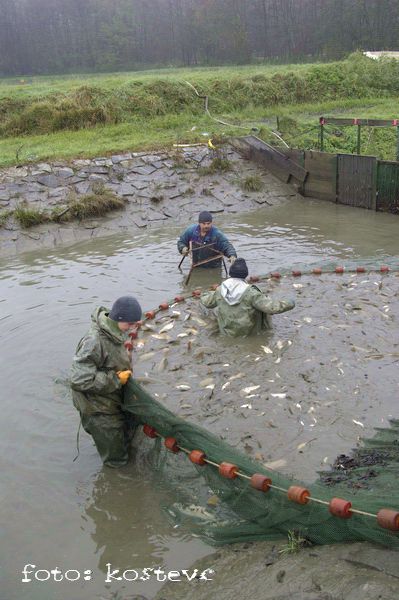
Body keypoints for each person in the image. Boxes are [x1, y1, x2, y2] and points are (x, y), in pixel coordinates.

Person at [70, 296, 142, 468]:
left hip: (110, 400)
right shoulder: (94, 341)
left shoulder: (115, 332)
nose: (132, 328)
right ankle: (116, 485)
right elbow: (79, 379)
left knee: (123, 439)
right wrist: (116, 379)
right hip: (97, 409)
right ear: (119, 318)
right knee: (116, 460)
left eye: (135, 324)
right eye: (130, 324)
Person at [200, 258, 295, 337]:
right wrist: (290, 303)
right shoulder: (251, 292)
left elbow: (207, 302)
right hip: (248, 333)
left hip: (227, 333)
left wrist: (203, 294)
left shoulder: (220, 290)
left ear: (230, 273)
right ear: (245, 274)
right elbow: (272, 308)